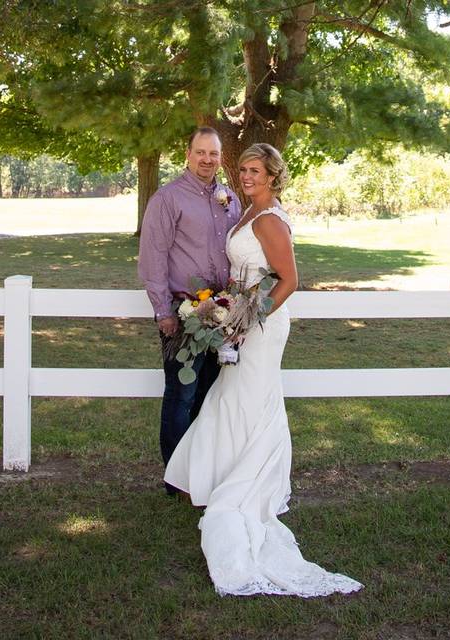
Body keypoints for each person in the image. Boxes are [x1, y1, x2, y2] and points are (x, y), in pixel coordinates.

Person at [164, 143, 363, 597]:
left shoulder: (270, 219)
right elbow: (244, 273)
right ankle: (221, 477)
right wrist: (223, 311)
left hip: (262, 325)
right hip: (241, 320)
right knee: (234, 399)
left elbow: (289, 279)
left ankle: (247, 487)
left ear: (273, 176)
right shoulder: (248, 211)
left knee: (250, 399)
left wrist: (246, 320)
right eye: (243, 170)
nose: (246, 176)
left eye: (255, 171)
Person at [137, 127, 243, 495]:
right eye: (200, 152)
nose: (207, 160)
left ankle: (201, 470)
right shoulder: (167, 199)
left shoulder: (228, 197)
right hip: (183, 314)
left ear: (220, 156)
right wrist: (163, 312)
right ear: (187, 154)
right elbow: (153, 258)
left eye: (213, 153)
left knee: (210, 396)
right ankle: (175, 479)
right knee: (181, 394)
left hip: (222, 312)